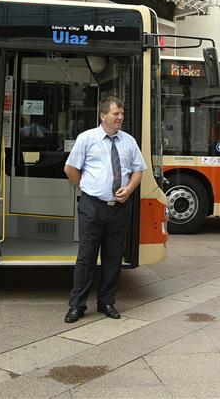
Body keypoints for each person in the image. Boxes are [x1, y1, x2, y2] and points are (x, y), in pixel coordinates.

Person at [63, 96, 146, 323]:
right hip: (92, 207)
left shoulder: (129, 141)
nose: (120, 118)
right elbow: (70, 168)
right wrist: (84, 187)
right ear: (102, 115)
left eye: (121, 114)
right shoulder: (87, 139)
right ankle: (77, 305)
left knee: (113, 258)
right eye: (115, 114)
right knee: (86, 258)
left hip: (119, 209)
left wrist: (128, 190)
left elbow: (138, 170)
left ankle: (106, 302)